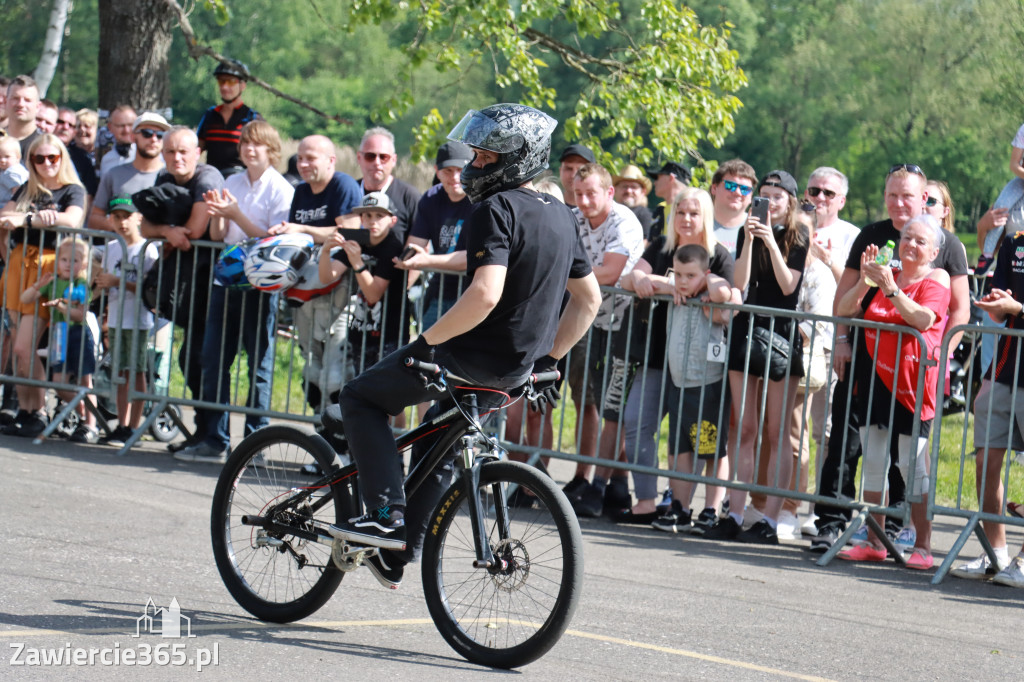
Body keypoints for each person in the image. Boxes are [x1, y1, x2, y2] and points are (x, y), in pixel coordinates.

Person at [323, 103, 601, 590]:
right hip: (513, 373)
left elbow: (486, 293)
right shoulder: (561, 214)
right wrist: (549, 359)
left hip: (463, 359)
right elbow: (588, 301)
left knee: (359, 398)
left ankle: (386, 515)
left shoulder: (494, 209)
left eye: (485, 159)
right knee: (438, 444)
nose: (473, 166)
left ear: (517, 158)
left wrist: (425, 342)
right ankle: (396, 551)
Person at [811, 164, 970, 552]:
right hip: (868, 362)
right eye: (892, 196)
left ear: (924, 199)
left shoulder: (946, 245)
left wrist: (938, 355)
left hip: (916, 369)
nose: (899, 203)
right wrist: (844, 338)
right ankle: (846, 526)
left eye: (908, 196)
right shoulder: (872, 237)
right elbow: (846, 303)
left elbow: (958, 311)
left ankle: (911, 534)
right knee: (854, 446)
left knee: (908, 457)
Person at [834, 214, 950, 569]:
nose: (910, 244)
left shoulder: (937, 278)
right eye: (907, 238)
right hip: (873, 380)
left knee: (910, 465)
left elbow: (923, 319)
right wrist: (867, 281)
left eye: (920, 241)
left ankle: (924, 545)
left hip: (912, 385)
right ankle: (874, 541)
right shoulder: (887, 273)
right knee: (873, 462)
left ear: (933, 251)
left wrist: (890, 289)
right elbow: (843, 310)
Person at [174, 120, 294, 464]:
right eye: (244, 143)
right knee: (213, 360)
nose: (248, 149)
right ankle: (213, 437)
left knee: (259, 364)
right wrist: (218, 216)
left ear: (270, 149)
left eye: (255, 144)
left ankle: (255, 441)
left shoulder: (280, 188)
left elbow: (272, 239)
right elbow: (217, 235)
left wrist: (235, 213)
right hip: (226, 280)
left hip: (261, 283)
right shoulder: (231, 181)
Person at [616, 187, 734, 529]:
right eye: (680, 211)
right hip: (657, 355)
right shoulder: (662, 247)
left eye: (693, 213)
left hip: (702, 363)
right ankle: (649, 501)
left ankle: (698, 507)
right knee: (639, 422)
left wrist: (702, 284)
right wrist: (668, 285)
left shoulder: (718, 254)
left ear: (706, 217)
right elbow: (630, 278)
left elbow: (728, 294)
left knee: (703, 438)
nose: (686, 219)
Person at [703, 170, 809, 545]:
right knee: (744, 429)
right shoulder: (748, 232)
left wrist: (772, 243)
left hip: (781, 334)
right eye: (764, 196)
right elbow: (740, 284)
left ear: (790, 202)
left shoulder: (799, 234)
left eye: (777, 197)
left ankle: (769, 517)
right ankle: (733, 511)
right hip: (747, 332)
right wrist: (750, 241)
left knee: (776, 432)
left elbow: (787, 285)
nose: (769, 203)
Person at [564, 163, 645, 518]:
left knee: (616, 408)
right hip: (590, 317)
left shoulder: (623, 221)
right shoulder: (573, 218)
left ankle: (603, 485)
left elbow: (612, 270)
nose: (583, 201)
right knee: (594, 400)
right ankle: (612, 486)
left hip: (626, 321)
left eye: (591, 193)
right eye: (578, 194)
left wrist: (563, 275)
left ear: (609, 193)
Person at [949, 221, 1024, 582]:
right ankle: (995, 552)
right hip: (1004, 370)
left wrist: (1018, 308)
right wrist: (996, 306)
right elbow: (1000, 308)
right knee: (985, 462)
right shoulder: (1014, 243)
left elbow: (1016, 307)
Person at [141, 126, 224, 452]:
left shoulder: (207, 177)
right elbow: (145, 224)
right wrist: (167, 231)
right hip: (186, 285)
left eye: (183, 152)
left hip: (213, 285)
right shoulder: (164, 178)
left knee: (207, 361)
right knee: (190, 361)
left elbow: (196, 228)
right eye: (171, 151)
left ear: (197, 152)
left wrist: (174, 233)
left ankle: (215, 438)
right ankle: (201, 433)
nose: (177, 158)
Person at [0, 134, 86, 438]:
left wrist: (27, 220)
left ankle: (38, 410)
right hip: (18, 267)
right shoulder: (27, 189)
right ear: (31, 162)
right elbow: (3, 217)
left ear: (62, 158)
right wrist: (34, 218)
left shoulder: (73, 190)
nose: (47, 164)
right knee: (18, 350)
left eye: (53, 157)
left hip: (48, 269)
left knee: (25, 346)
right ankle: (25, 410)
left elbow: (72, 220)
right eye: (40, 158)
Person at [269, 134, 362, 411]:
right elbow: (299, 237)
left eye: (311, 158)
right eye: (300, 158)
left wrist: (304, 229)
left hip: (338, 290)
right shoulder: (301, 191)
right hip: (306, 289)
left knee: (336, 373)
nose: (304, 164)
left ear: (331, 160)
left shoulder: (342, 184)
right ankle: (321, 434)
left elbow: (350, 231)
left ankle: (343, 440)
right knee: (312, 367)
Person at [93, 194, 159, 447]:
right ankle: (121, 424)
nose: (122, 223)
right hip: (118, 317)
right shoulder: (111, 248)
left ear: (138, 218)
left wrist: (117, 281)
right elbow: (105, 280)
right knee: (119, 371)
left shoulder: (147, 248)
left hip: (138, 319)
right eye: (117, 217)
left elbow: (149, 286)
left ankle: (134, 425)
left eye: (127, 217)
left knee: (137, 370)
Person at [319, 192, 410, 373]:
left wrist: (358, 263)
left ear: (392, 220)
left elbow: (373, 294)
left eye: (379, 215)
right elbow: (327, 277)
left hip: (390, 335)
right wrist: (325, 252)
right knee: (362, 390)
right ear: (360, 218)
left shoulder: (393, 246)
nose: (372, 221)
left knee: (385, 391)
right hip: (361, 332)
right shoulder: (357, 240)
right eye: (367, 215)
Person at [20, 237, 98, 442]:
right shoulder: (53, 281)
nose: (68, 264)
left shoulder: (81, 284)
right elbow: (25, 299)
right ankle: (82, 411)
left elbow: (80, 315)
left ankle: (91, 424)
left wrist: (62, 307)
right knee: (58, 383)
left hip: (78, 334)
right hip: (58, 334)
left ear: (83, 264)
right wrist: (38, 286)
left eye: (74, 260)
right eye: (64, 259)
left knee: (84, 381)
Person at [396, 140, 475, 330]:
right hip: (439, 293)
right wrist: (399, 280)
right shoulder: (431, 198)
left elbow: (474, 257)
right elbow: (414, 247)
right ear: (437, 171)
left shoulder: (481, 200)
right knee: (428, 353)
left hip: (472, 293)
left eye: (460, 169)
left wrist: (426, 261)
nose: (455, 177)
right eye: (448, 171)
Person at [87, 112, 169, 232]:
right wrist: (122, 225)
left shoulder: (172, 177)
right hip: (121, 249)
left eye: (160, 135)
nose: (154, 139)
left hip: (159, 250)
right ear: (133, 137)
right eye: (147, 133)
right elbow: (94, 218)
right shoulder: (114, 175)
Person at [196, 59, 262, 176]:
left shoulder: (252, 118)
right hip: (212, 178)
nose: (225, 87)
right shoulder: (210, 115)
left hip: (242, 178)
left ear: (242, 85)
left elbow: (263, 155)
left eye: (231, 82)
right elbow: (196, 149)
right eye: (221, 82)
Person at [353, 127, 419, 243]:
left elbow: (420, 246)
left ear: (393, 160)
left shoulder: (410, 197)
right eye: (370, 156)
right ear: (359, 158)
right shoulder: (347, 191)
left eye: (384, 157)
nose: (377, 163)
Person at [976, 121, 1024, 273]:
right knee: (1000, 207)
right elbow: (1014, 165)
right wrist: (982, 227)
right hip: (1011, 280)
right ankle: (987, 257)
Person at [709, 159, 757, 257]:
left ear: (751, 196)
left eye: (745, 189)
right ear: (714, 188)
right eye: (730, 186)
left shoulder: (757, 229)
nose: (737, 193)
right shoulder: (697, 223)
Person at [645, 161, 691, 242]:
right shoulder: (660, 209)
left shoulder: (692, 210)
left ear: (671, 178)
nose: (655, 183)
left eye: (657, 178)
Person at [612, 164, 654, 238]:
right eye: (624, 186)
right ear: (615, 189)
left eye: (634, 187)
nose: (629, 191)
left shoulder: (645, 216)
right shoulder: (608, 212)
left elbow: (645, 243)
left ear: (643, 192)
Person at [4, 75, 41, 158]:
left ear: (38, 107)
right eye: (15, 98)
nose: (21, 104)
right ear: (6, 102)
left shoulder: (47, 145)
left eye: (27, 100)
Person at [98, 105, 137, 177]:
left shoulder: (148, 155)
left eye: (130, 125)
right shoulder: (107, 160)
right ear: (110, 127)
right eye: (121, 126)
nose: (126, 130)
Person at [558, 143, 594, 208]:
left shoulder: (602, 211)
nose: (573, 175)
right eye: (569, 169)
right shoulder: (549, 206)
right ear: (560, 171)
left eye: (581, 170)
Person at [0, 135, 29, 206]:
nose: (2, 160)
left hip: (6, 205)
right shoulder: (18, 169)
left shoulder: (11, 172)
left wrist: (13, 206)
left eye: (7, 157)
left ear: (17, 158)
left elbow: (18, 191)